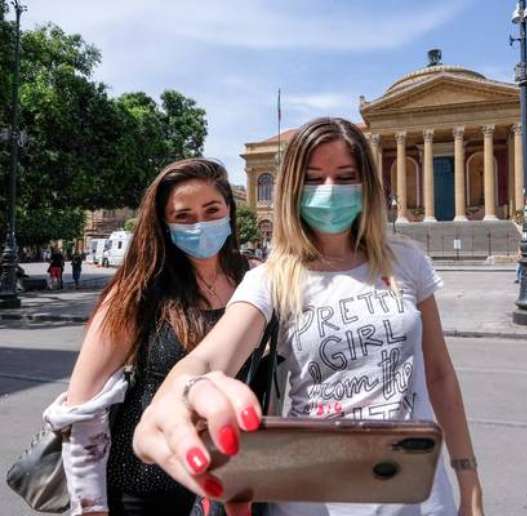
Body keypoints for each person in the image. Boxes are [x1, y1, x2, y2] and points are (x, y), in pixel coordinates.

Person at [133, 118, 484, 516]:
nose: (330, 191)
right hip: (311, 500)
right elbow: (211, 357)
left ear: (367, 184)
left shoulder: (406, 261)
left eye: (345, 176)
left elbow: (439, 374)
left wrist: (468, 480)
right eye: (314, 178)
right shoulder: (269, 278)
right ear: (293, 190)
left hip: (416, 496)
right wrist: (179, 392)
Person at [42, 158, 252, 515]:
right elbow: (81, 408)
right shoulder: (137, 294)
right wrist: (91, 507)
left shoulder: (255, 282)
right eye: (184, 216)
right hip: (143, 489)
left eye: (211, 209)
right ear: (164, 224)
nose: (200, 224)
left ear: (229, 212)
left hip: (233, 487)